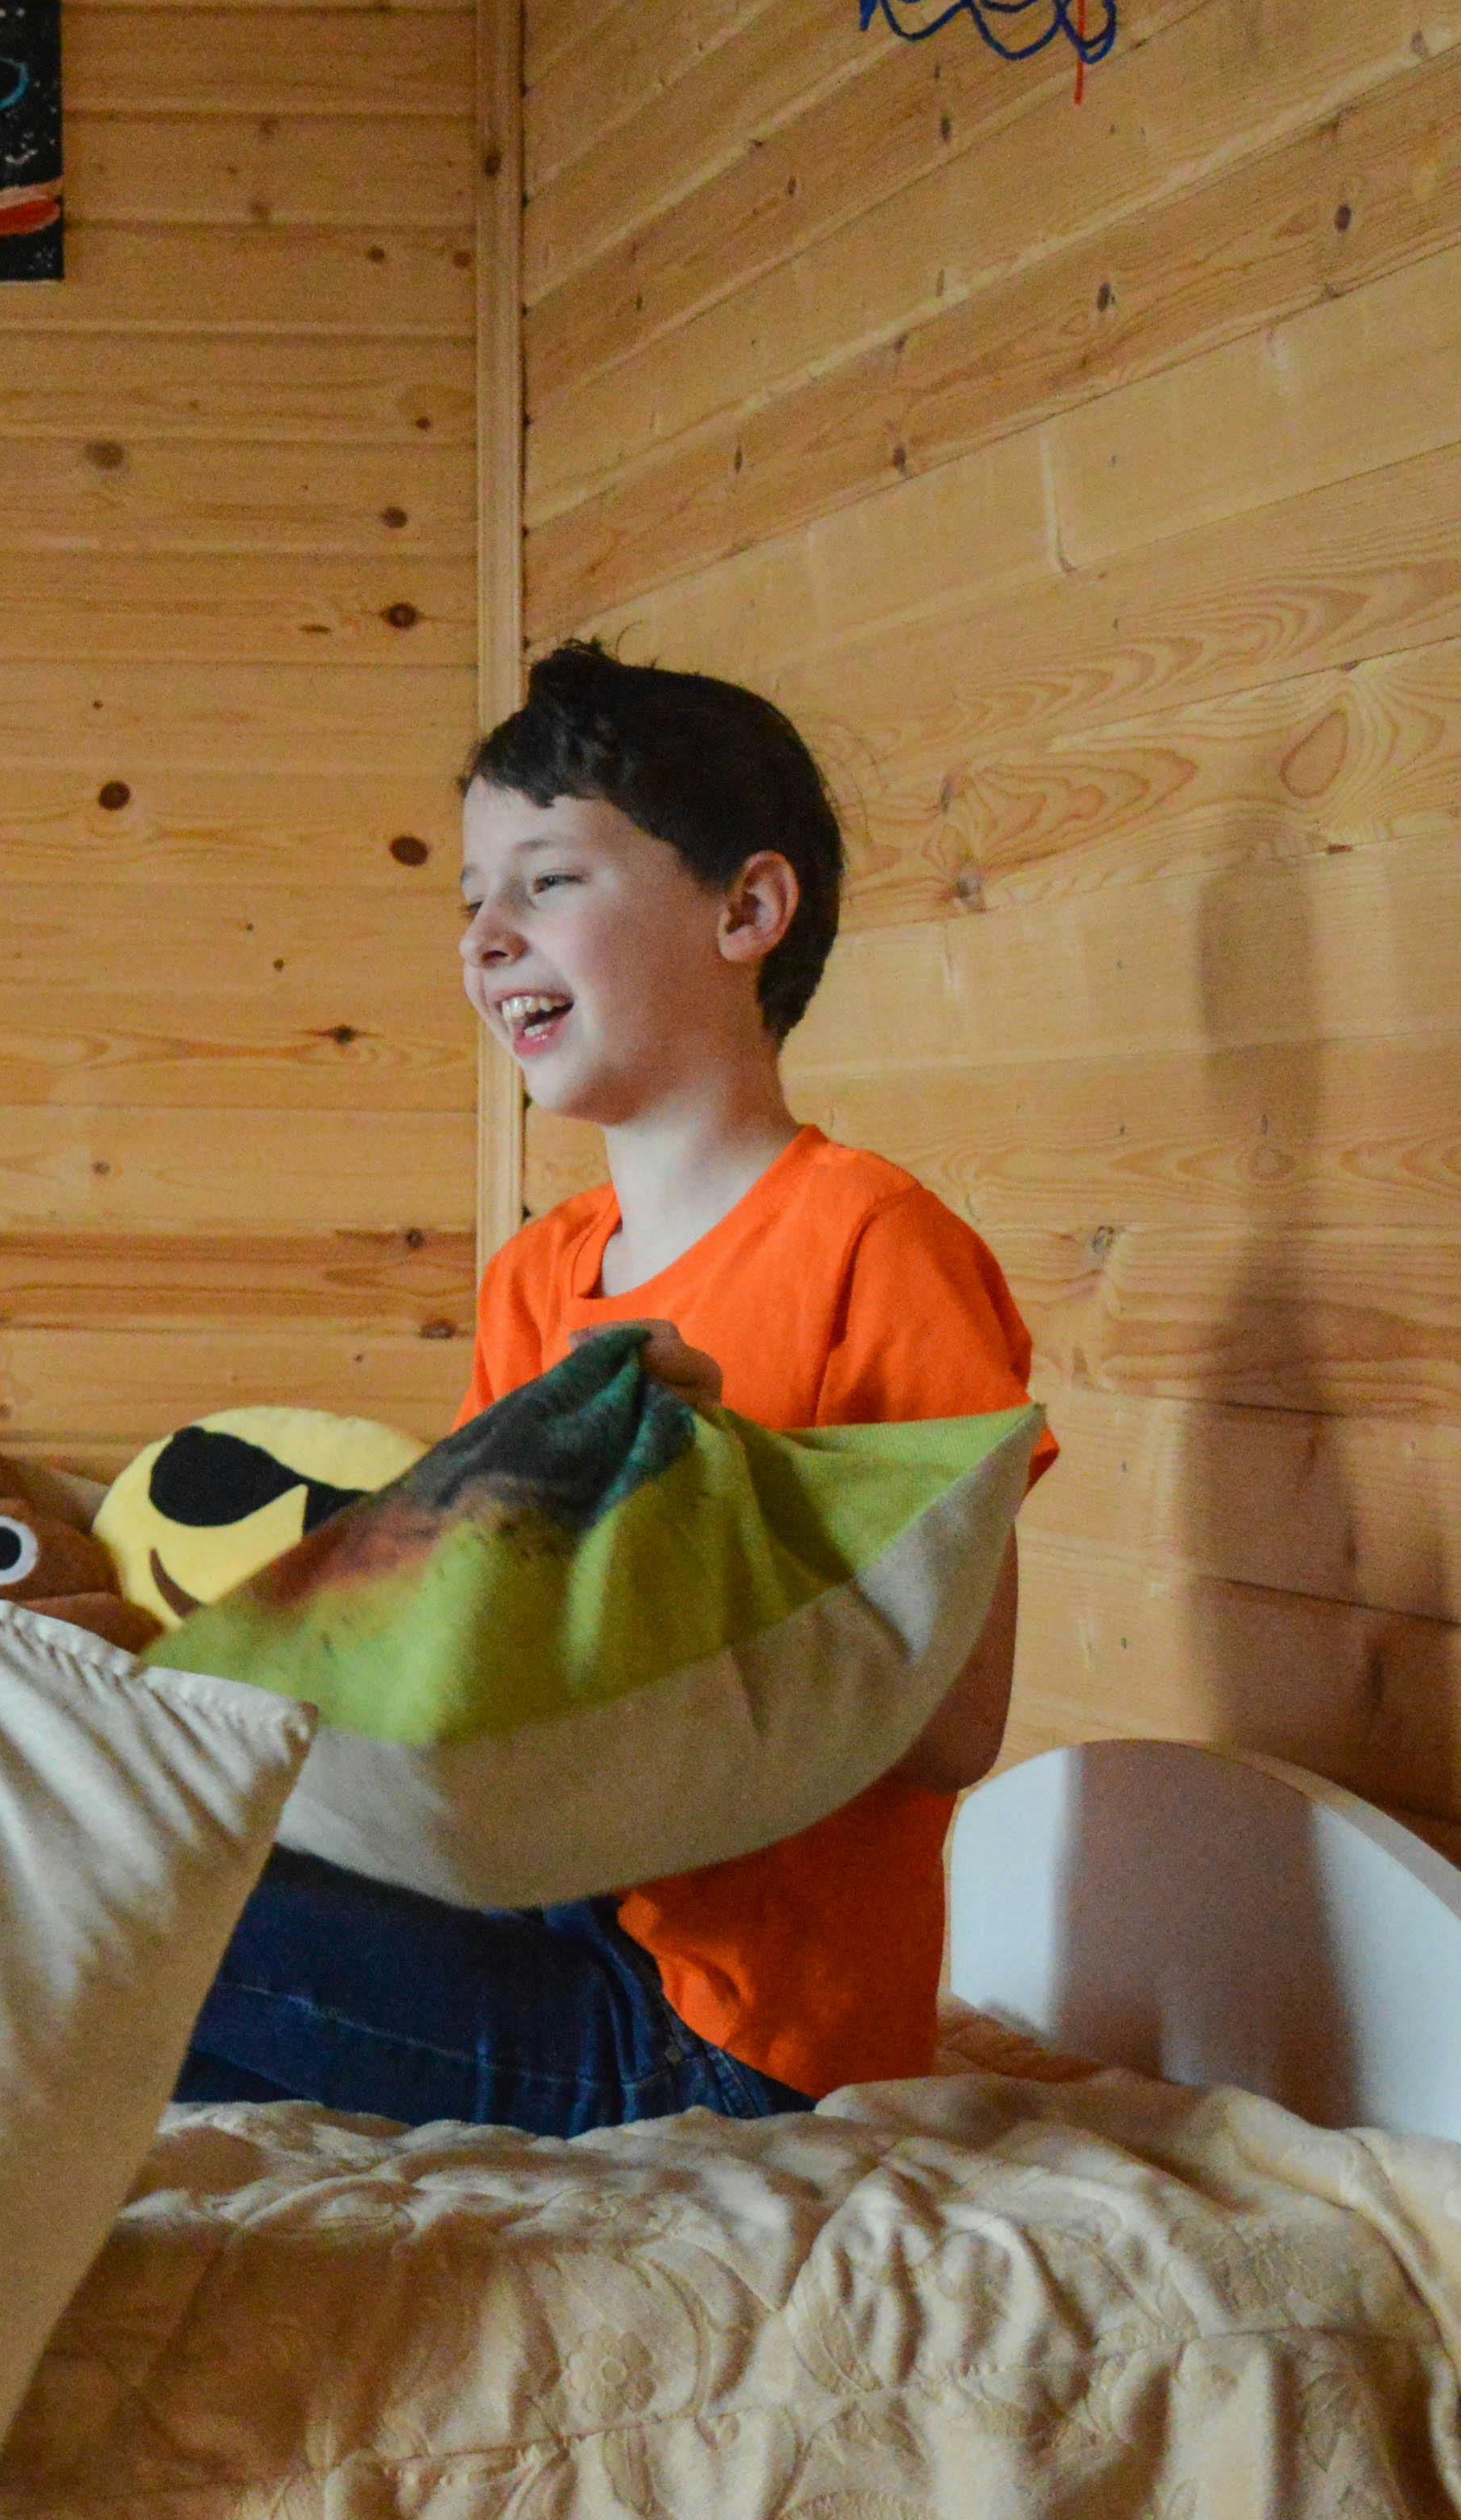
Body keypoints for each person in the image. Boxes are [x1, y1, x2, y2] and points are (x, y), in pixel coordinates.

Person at [171, 640, 1044, 2132]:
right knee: (118, 1870)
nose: (485, 937)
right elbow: (467, 1663)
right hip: (540, 1925)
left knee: (138, 1908)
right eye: (469, 899)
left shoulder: (872, 1245)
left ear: (746, 910)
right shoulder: (540, 1276)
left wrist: (692, 1500)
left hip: (731, 2037)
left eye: (549, 881)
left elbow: (956, 1724)